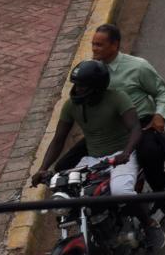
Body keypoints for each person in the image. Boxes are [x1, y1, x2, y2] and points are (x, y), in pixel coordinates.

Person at [89, 24, 165, 208]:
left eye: (99, 45)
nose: (94, 49)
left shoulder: (138, 67)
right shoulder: (92, 71)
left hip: (141, 124)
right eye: (93, 44)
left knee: (149, 154)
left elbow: (162, 92)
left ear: (115, 45)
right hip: (109, 129)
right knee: (68, 163)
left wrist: (159, 115)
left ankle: (160, 191)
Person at [32, 60, 141, 199]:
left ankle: (144, 214)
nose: (77, 89)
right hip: (92, 160)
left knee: (120, 192)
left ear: (97, 86)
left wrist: (126, 153)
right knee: (69, 190)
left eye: (82, 86)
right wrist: (42, 169)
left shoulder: (118, 98)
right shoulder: (70, 106)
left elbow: (135, 128)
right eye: (76, 85)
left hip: (121, 157)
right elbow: (58, 140)